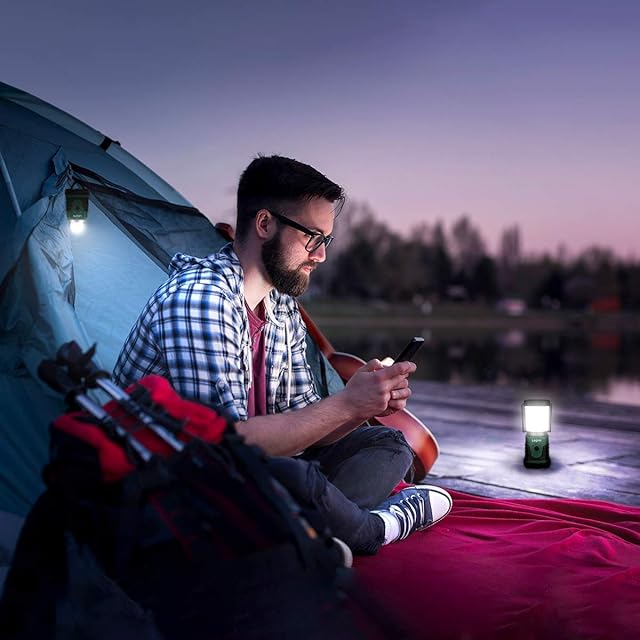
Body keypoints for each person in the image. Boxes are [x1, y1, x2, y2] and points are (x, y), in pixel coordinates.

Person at [114, 155, 452, 555]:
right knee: (295, 477)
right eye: (313, 237)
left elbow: (304, 424)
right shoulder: (200, 299)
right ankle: (373, 529)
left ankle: (308, 529)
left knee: (389, 443)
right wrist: (346, 403)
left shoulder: (279, 304)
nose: (321, 255)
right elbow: (224, 449)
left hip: (258, 473)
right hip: (178, 487)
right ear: (264, 224)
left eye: (326, 240)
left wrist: (361, 405)